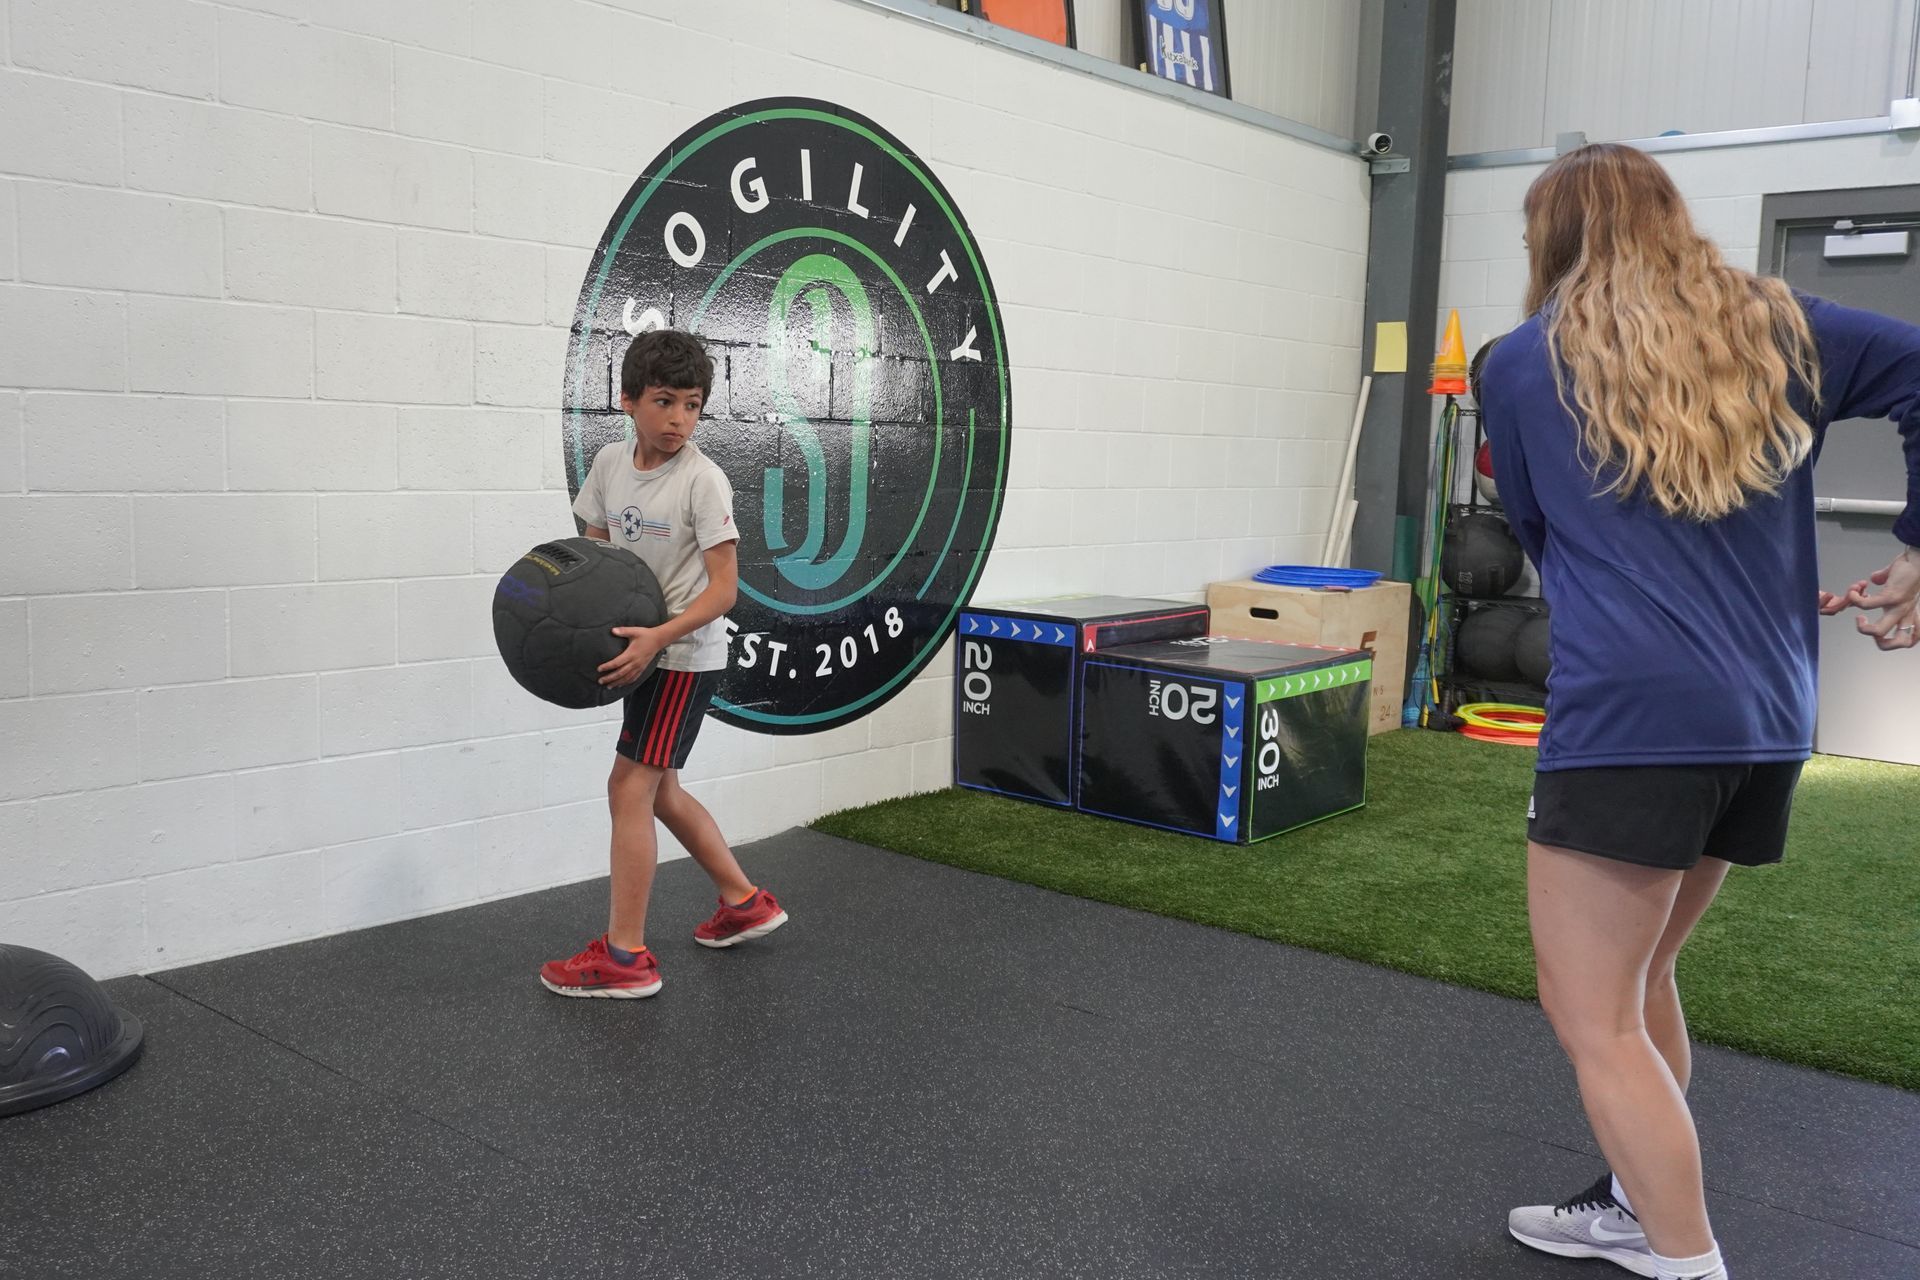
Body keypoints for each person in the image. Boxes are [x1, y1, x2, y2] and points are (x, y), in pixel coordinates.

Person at [1478, 143, 1920, 1280]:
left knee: (1595, 1019)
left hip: (1632, 726)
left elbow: (1538, 532)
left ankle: (1686, 1260)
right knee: (1643, 980)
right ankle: (1635, 1207)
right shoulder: (1778, 327)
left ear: (1553, 240)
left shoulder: (1521, 363)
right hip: (1766, 724)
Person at [540, 329, 788, 999]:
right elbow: (591, 556)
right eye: (665, 401)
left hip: (683, 657)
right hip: (643, 656)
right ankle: (744, 902)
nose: (679, 419)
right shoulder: (609, 467)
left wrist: (657, 637)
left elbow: (725, 590)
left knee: (629, 789)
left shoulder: (703, 481)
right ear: (628, 401)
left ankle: (625, 958)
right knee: (662, 791)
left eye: (693, 405)